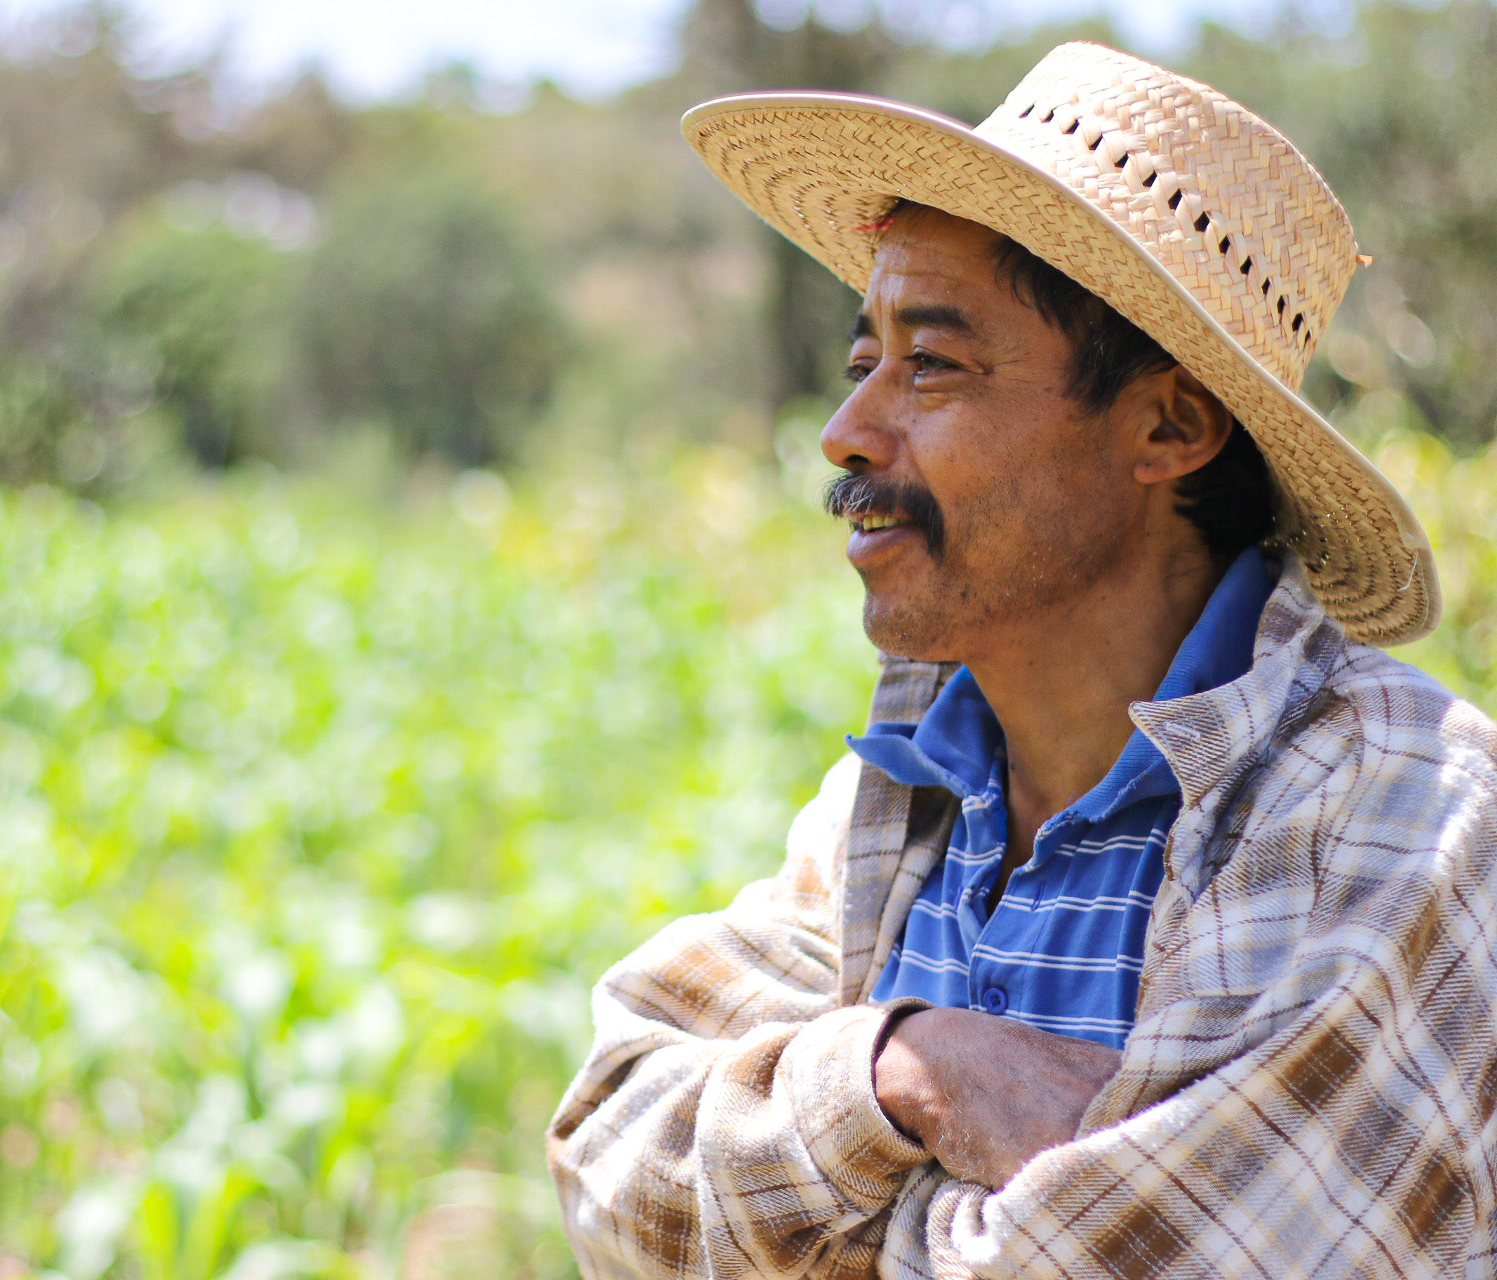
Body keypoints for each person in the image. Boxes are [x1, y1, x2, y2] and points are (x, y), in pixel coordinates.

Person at [547, 41, 1497, 1280]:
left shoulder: (1398, 813)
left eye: (930, 363)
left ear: (1168, 424)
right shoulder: (905, 798)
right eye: (861, 360)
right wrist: (907, 1063)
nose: (845, 430)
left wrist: (802, 1204)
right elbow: (613, 1147)